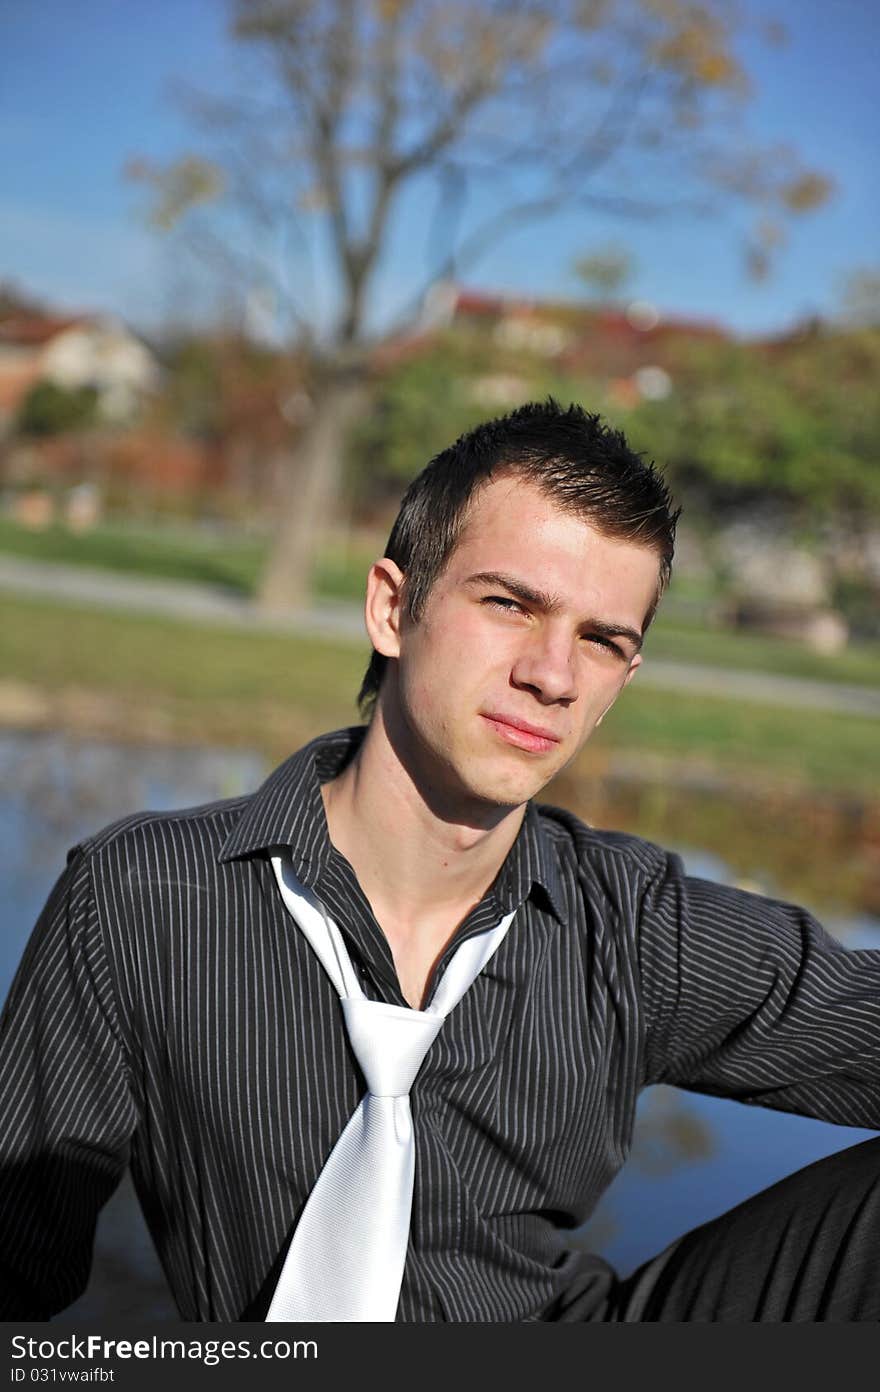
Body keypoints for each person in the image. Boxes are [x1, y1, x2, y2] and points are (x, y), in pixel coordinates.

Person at [1, 399, 878, 1323]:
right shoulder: (143, 897)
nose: (553, 674)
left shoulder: (632, 926)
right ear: (392, 606)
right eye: (510, 604)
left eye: (602, 640)